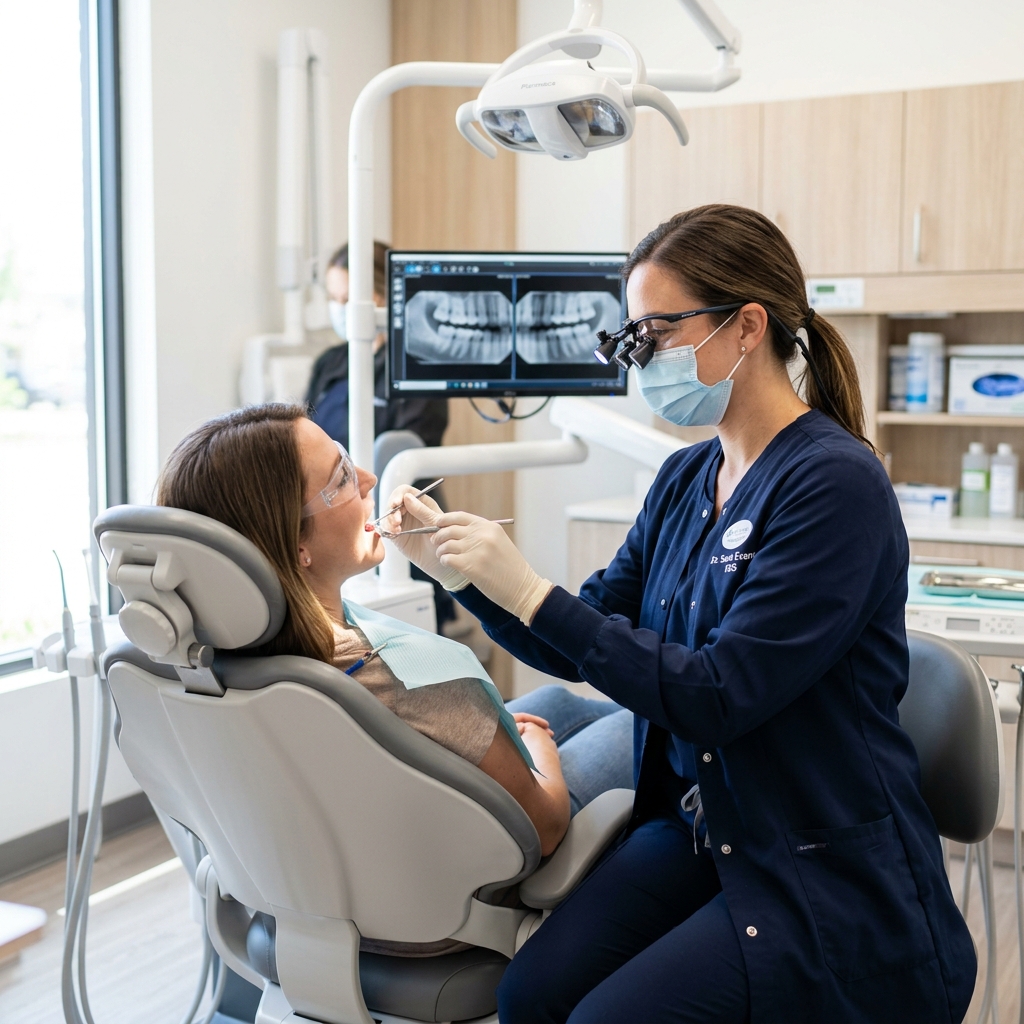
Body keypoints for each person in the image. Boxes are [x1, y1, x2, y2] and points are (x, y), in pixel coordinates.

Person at [386, 205, 976, 1023]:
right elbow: (581, 638)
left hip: (814, 859)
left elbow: (717, 696)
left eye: (656, 333)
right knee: (529, 994)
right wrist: (460, 574)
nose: (642, 360)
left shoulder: (834, 485)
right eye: (632, 340)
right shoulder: (685, 479)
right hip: (704, 827)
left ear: (746, 327)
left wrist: (528, 589)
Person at [155, 403, 633, 863]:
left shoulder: (230, 657)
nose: (368, 479)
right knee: (644, 726)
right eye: (341, 479)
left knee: (556, 701)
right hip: (478, 877)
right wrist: (538, 750)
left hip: (344, 866)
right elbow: (545, 828)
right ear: (295, 543)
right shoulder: (405, 677)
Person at [306, 240, 448, 452]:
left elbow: (411, 453)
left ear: (382, 295)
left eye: (347, 299)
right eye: (333, 298)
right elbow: (304, 437)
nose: (338, 308)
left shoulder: (417, 369)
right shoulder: (329, 363)